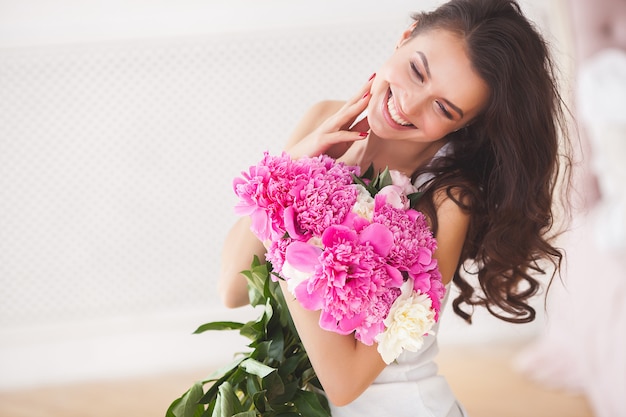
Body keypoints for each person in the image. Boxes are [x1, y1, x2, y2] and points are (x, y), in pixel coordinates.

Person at [218, 0, 572, 415]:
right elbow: (234, 288)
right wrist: (294, 161)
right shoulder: (324, 118)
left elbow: (346, 381)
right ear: (405, 38)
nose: (409, 104)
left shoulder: (447, 200)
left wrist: (296, 191)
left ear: (464, 124)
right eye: (416, 71)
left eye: (443, 108)